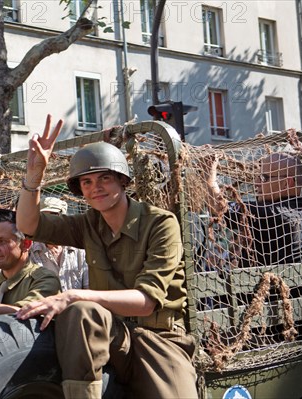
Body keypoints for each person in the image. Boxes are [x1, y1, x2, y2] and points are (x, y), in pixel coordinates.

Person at [15, 115, 197, 399]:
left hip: (159, 339)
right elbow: (28, 225)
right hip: (109, 334)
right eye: (86, 182)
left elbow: (147, 302)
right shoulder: (87, 224)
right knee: (81, 312)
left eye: (104, 178)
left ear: (122, 181)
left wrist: (74, 294)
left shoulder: (160, 223)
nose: (95, 187)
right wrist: (34, 176)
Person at [206, 152, 302, 267]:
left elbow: (217, 207)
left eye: (264, 178)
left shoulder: (271, 213)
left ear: (286, 183)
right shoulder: (301, 212)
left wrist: (209, 170)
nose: (256, 183)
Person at [29, 197, 89, 291]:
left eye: (53, 217)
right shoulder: (30, 251)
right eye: (44, 218)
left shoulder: (79, 250)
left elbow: (88, 287)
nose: (48, 223)